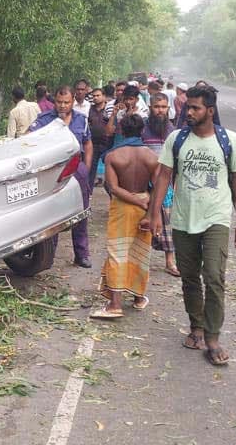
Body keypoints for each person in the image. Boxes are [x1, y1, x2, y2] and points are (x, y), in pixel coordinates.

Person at [149, 86, 236, 367]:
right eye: (187, 107)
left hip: (216, 217)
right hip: (183, 218)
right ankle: (196, 327)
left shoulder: (231, 140)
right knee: (190, 277)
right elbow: (164, 176)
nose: (188, 112)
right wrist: (154, 214)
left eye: (195, 108)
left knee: (214, 277)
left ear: (210, 111)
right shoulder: (176, 139)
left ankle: (213, 337)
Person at [93, 114, 157, 319]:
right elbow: (158, 188)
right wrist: (147, 209)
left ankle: (115, 304)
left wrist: (134, 200)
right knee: (140, 251)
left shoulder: (114, 156)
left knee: (117, 252)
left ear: (121, 130)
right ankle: (138, 298)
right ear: (142, 131)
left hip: (122, 206)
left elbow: (113, 187)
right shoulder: (152, 157)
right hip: (145, 205)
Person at [29, 86, 93, 268]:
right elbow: (28, 139)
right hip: (53, 171)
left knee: (81, 210)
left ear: (73, 101)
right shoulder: (44, 120)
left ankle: (81, 254)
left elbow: (88, 143)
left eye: (66, 102)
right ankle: (49, 254)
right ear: (54, 101)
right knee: (52, 211)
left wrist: (86, 167)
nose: (62, 106)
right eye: (59, 102)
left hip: (77, 168)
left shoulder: (82, 120)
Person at [142, 93, 180, 277]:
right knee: (142, 221)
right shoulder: (142, 128)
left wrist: (176, 184)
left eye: (164, 107)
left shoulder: (173, 131)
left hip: (166, 184)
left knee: (167, 222)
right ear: (150, 107)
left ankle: (170, 262)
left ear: (168, 109)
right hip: (143, 182)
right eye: (157, 107)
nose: (160, 110)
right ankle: (140, 262)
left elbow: (177, 162)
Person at [87, 87, 113, 186]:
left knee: (110, 167)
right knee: (91, 169)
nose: (95, 98)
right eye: (94, 96)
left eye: (98, 95)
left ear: (104, 97)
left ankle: (111, 188)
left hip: (107, 143)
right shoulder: (90, 109)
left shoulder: (109, 109)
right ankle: (88, 192)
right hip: (93, 143)